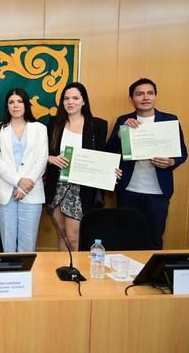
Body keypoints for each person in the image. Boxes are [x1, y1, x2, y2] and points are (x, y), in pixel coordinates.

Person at [106, 78, 188, 249]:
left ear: (155, 96)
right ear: (132, 98)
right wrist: (122, 133)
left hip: (158, 192)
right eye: (140, 94)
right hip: (128, 190)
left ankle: (152, 276)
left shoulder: (169, 119)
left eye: (150, 93)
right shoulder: (124, 120)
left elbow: (182, 153)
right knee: (126, 237)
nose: (145, 97)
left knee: (155, 238)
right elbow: (109, 149)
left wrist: (171, 161)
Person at [44, 82, 108, 251]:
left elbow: (102, 156)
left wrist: (110, 170)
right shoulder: (54, 124)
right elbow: (41, 152)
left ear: (84, 101)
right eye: (66, 98)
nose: (70, 102)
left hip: (81, 188)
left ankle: (75, 272)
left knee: (74, 238)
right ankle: (63, 272)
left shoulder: (97, 126)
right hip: (57, 184)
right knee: (62, 235)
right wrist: (49, 158)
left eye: (75, 98)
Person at [0, 88, 48, 252]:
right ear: (7, 106)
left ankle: (24, 277)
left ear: (26, 104)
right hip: (5, 193)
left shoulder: (39, 128)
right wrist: (18, 181)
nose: (15, 105)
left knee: (27, 244)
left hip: (31, 192)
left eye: (19, 101)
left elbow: (42, 159)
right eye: (11, 102)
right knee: (6, 243)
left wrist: (26, 185)